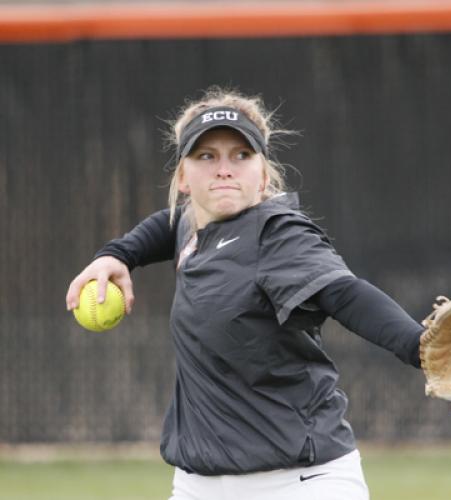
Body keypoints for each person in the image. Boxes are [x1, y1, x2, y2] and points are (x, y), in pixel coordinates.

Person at [66, 87, 424, 500]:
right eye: (206, 156)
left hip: (298, 484)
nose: (224, 169)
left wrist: (420, 347)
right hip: (197, 486)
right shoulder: (193, 226)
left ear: (264, 175)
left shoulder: (277, 234)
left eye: (241, 155)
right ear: (183, 178)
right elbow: (165, 226)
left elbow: (345, 294)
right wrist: (117, 255)